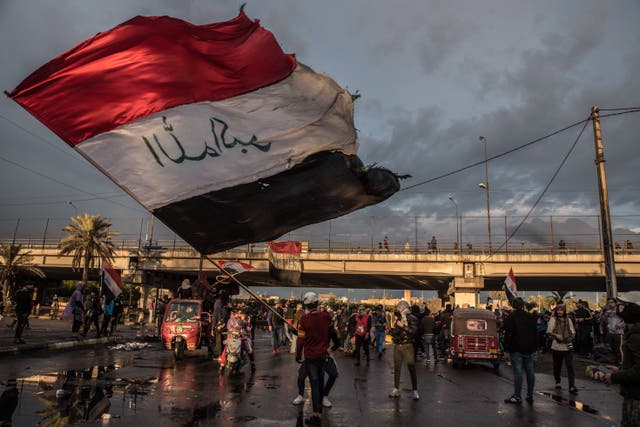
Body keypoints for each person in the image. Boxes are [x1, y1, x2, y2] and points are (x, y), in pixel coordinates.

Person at [602, 291, 640, 427]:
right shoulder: (633, 333)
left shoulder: (636, 336)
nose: (621, 309)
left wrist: (615, 377)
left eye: (626, 306)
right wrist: (621, 369)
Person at [296, 292, 332, 426]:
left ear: (306, 305)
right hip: (322, 356)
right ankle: (319, 412)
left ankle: (316, 416)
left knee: (315, 384)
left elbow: (300, 340)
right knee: (321, 382)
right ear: (317, 304)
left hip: (310, 356)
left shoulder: (304, 320)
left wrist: (298, 354)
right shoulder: (326, 317)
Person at [503, 297, 538, 404]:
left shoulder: (511, 317)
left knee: (518, 373)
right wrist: (535, 348)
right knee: (530, 372)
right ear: (522, 305)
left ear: (513, 305)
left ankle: (517, 396)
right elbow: (535, 333)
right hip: (529, 348)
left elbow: (508, 334)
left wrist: (506, 349)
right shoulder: (530, 317)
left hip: (516, 348)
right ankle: (530, 395)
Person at [388, 300, 420, 400]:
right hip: (398, 345)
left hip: (408, 345)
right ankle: (396, 389)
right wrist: (390, 330)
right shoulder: (399, 318)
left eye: (399, 307)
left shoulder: (413, 318)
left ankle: (415, 390)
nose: (397, 309)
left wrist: (403, 326)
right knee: (397, 368)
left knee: (411, 368)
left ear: (403, 307)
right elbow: (396, 332)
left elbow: (414, 332)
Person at [547, 303, 578, 394]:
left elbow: (573, 332)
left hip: (568, 347)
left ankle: (571, 386)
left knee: (570, 366)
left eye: (561, 310)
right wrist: (556, 335)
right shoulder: (553, 319)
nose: (560, 312)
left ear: (564, 311)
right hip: (557, 347)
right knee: (557, 365)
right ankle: (557, 382)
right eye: (558, 310)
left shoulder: (568, 320)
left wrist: (570, 337)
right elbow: (548, 332)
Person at [219, 306, 255, 371]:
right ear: (235, 313)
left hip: (242, 338)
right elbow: (236, 326)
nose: (241, 314)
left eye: (241, 313)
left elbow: (248, 329)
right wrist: (242, 319)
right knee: (226, 350)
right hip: (231, 338)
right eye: (239, 313)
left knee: (249, 349)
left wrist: (249, 323)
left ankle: (252, 364)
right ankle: (222, 365)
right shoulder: (231, 320)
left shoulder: (243, 320)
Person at [601, 298, 625, 365]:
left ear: (615, 303)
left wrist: (618, 326)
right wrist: (603, 312)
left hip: (618, 333)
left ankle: (621, 363)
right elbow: (604, 320)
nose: (610, 304)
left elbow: (624, 320)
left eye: (611, 302)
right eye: (608, 303)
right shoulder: (607, 312)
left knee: (619, 349)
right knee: (611, 348)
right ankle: (614, 362)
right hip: (610, 333)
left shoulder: (620, 310)